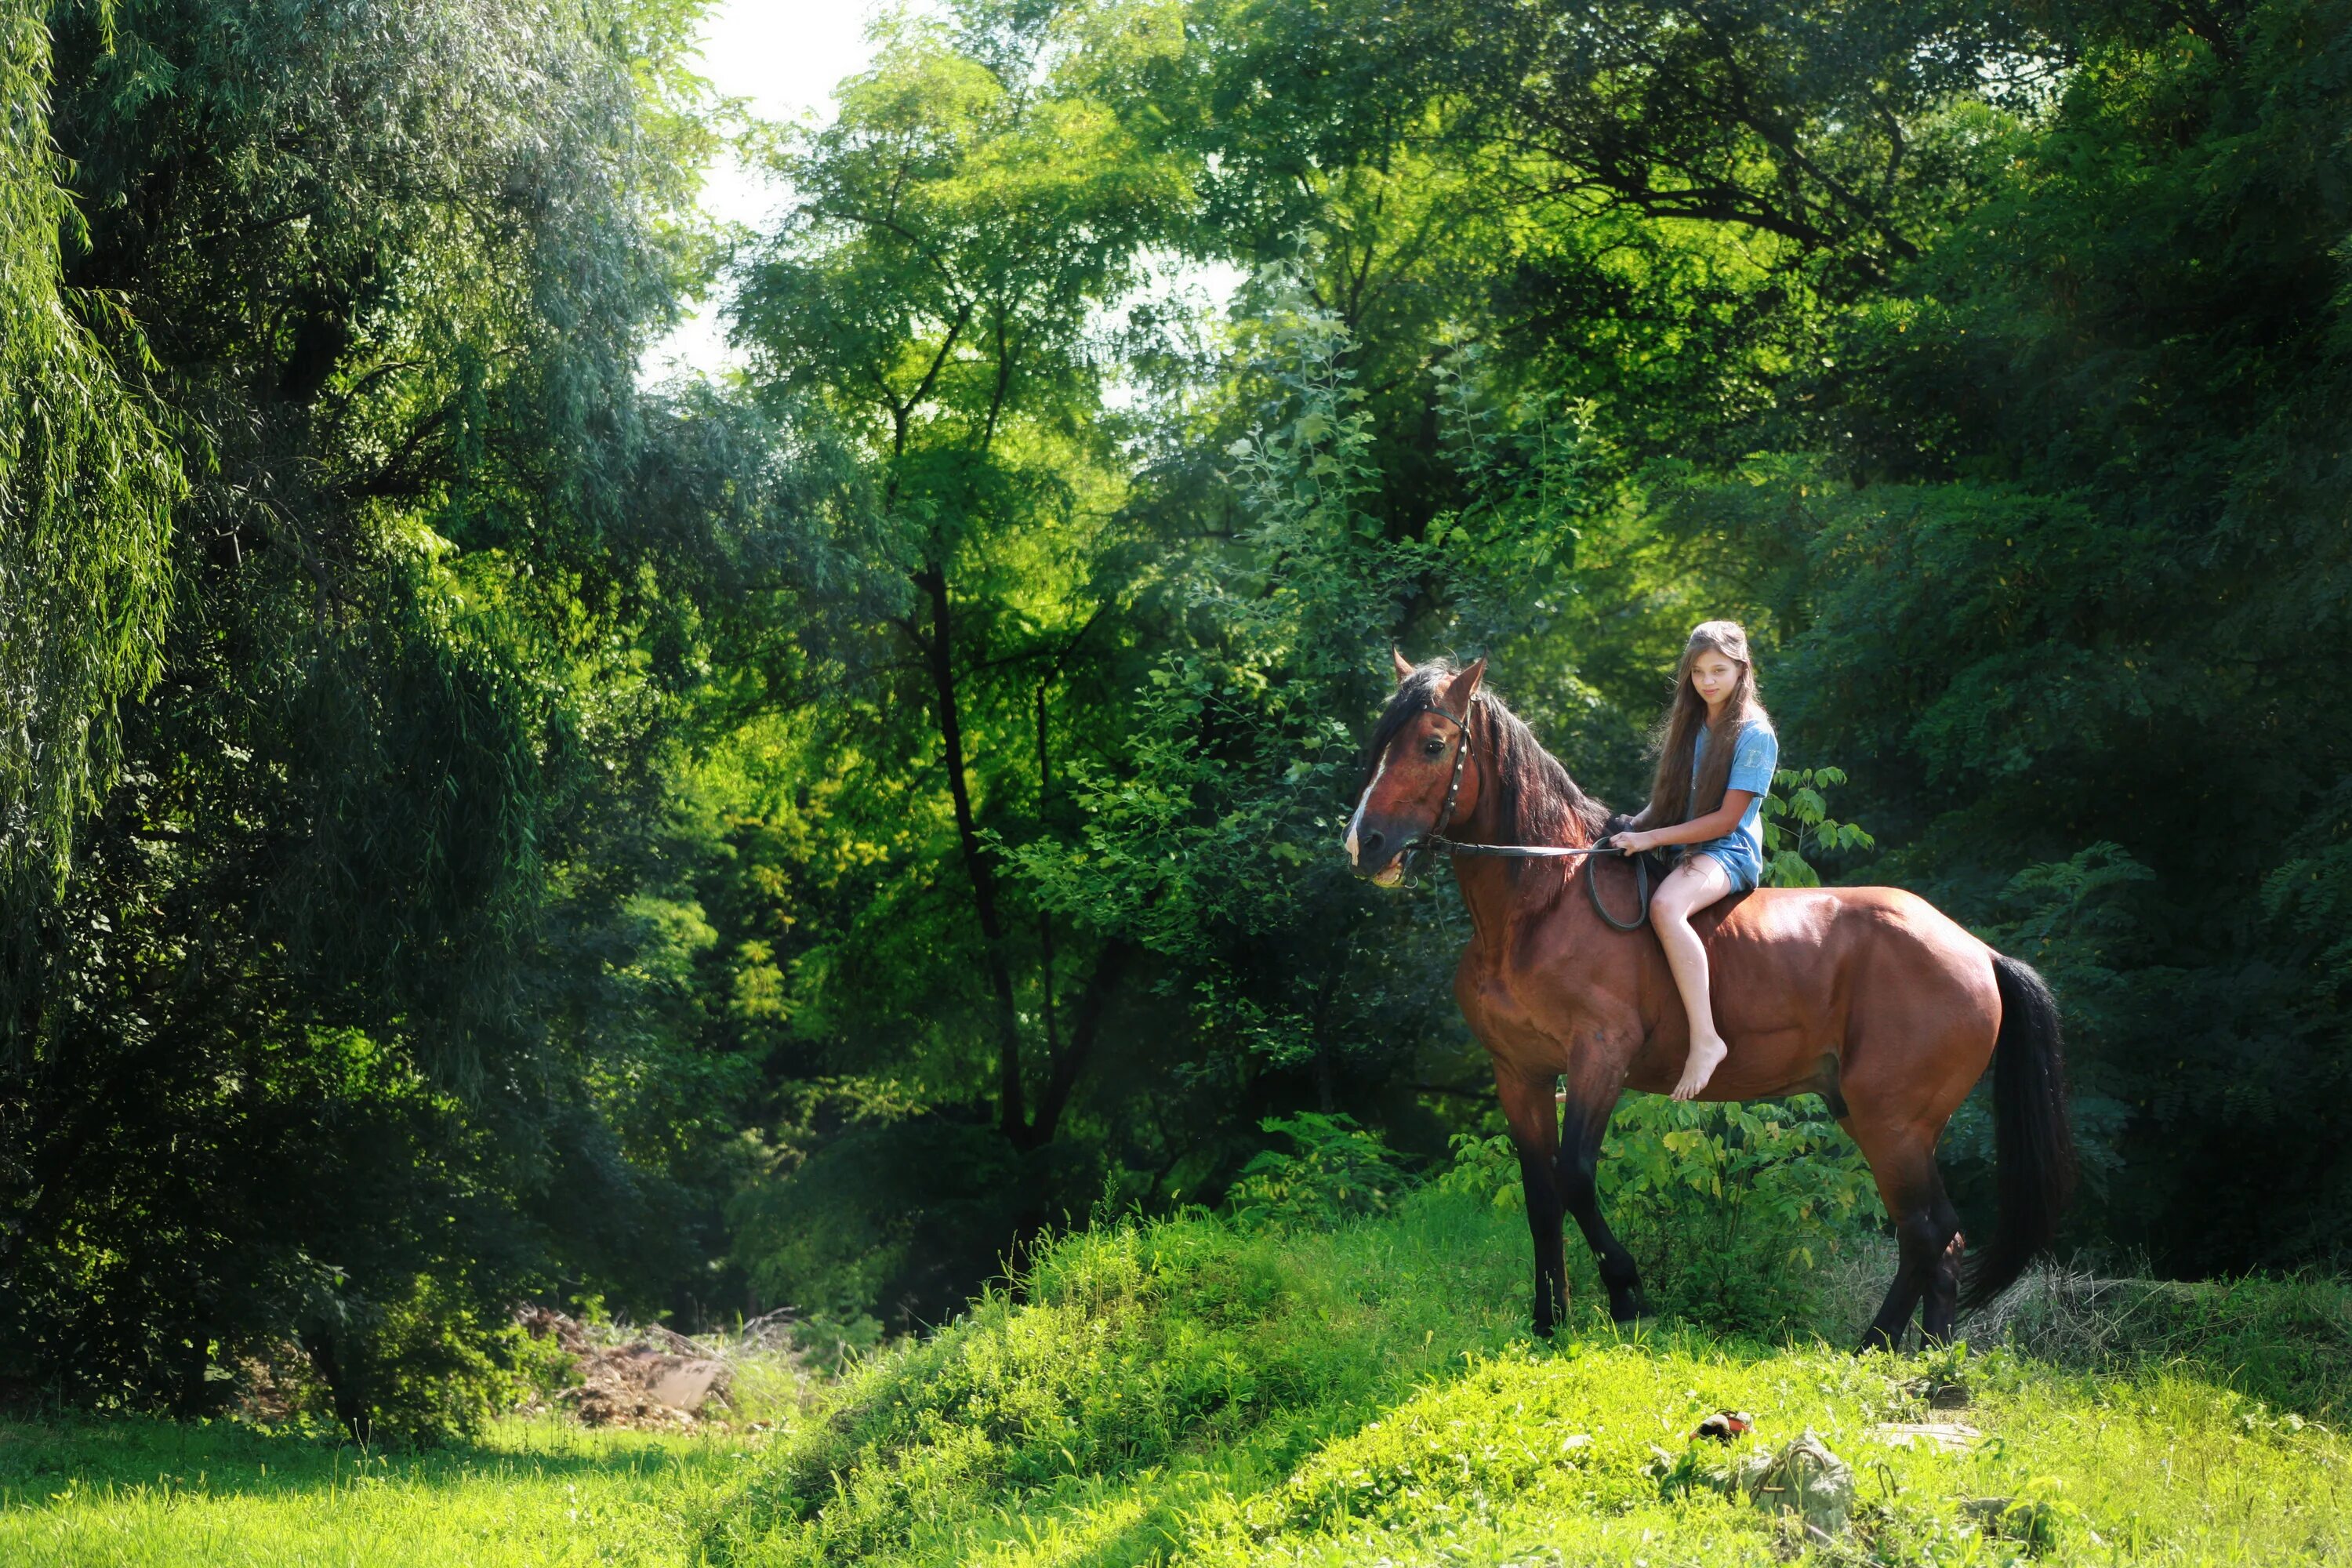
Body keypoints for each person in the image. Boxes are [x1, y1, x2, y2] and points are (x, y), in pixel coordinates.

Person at [1607, 620, 1779, 1101]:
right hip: (1683, 845)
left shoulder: (1755, 733)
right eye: (1699, 671)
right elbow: (1668, 802)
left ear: (1742, 670)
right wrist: (1632, 828)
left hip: (1728, 852)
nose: (1707, 681)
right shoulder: (1693, 724)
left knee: (1665, 908)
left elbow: (1727, 820)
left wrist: (1653, 838)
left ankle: (1706, 1040)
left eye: (1718, 670)